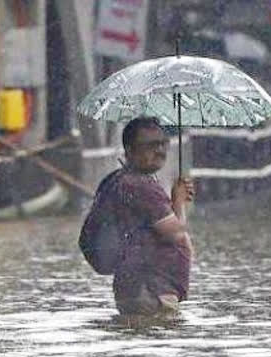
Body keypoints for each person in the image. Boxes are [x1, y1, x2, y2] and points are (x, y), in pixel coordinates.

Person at [82, 116, 195, 316]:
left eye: (162, 144)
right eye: (150, 145)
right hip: (151, 291)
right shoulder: (140, 186)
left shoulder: (118, 180)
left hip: (134, 288)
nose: (160, 151)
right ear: (130, 150)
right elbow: (175, 234)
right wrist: (178, 201)